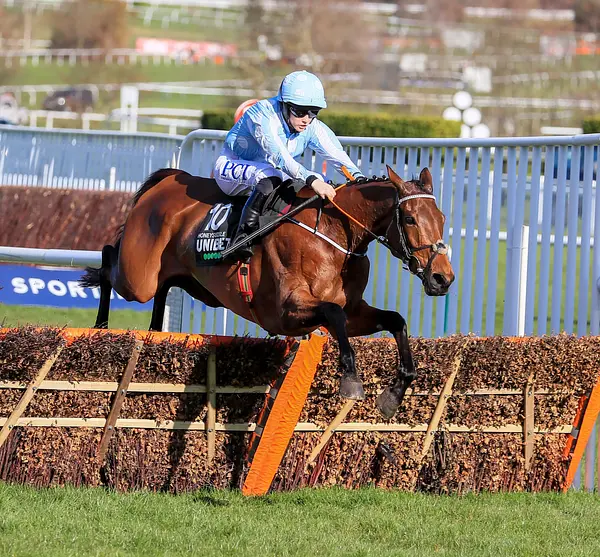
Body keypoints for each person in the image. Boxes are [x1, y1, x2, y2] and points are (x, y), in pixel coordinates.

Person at [213, 70, 365, 260]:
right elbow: (280, 157)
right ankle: (242, 237)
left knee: (319, 179)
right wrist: (311, 179)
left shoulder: (311, 126)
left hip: (271, 173)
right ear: (284, 104)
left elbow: (337, 156)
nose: (307, 119)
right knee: (273, 175)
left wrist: (360, 180)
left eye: (313, 112)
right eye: (300, 112)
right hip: (231, 166)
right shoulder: (261, 114)